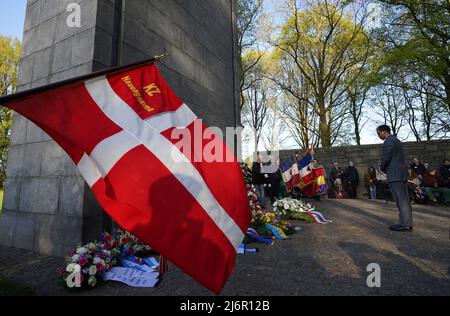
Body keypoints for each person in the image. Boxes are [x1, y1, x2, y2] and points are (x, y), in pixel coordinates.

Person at [377, 125, 413, 232]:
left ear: (384, 132)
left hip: (395, 174)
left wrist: (382, 168)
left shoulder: (388, 141)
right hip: (400, 173)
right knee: (404, 199)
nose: (379, 136)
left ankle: (405, 224)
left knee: (400, 200)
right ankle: (406, 223)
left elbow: (386, 157)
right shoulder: (396, 140)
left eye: (379, 133)